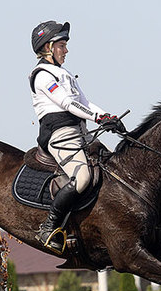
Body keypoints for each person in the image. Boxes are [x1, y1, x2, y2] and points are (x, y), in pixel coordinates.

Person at [29, 20, 126, 253]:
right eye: (62, 45)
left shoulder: (66, 74)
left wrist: (108, 116)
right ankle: (49, 226)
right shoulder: (42, 75)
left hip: (81, 131)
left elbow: (84, 102)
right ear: (48, 47)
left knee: (112, 166)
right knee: (82, 178)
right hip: (60, 134)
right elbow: (67, 103)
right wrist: (97, 118)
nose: (66, 50)